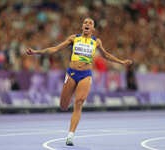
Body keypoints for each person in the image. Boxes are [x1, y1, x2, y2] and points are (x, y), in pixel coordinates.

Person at [26, 17, 132, 146]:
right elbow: (55, 49)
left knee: (79, 102)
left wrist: (121, 62)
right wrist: (36, 52)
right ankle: (68, 97)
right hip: (71, 74)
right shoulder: (74, 38)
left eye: (90, 23)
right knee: (63, 106)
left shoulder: (96, 41)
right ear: (82, 27)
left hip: (85, 75)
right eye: (85, 22)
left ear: (93, 28)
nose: (87, 24)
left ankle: (70, 135)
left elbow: (107, 55)